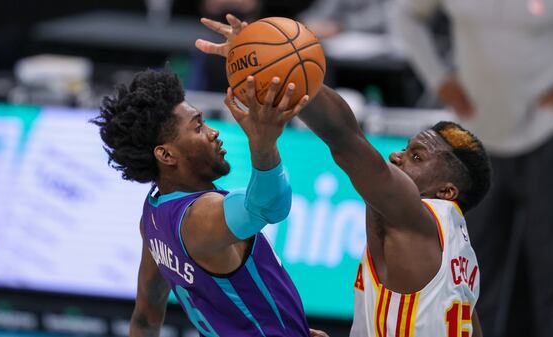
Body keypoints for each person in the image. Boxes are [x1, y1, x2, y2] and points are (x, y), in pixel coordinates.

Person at [197, 14, 492, 337]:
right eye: (405, 149)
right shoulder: (463, 259)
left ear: (446, 191)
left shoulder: (414, 214)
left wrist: (278, 65)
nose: (395, 156)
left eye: (416, 156)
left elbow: (344, 137)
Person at [91, 69, 316, 336]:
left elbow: (146, 319)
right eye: (198, 127)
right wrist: (263, 143)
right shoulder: (200, 215)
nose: (213, 133)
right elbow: (268, 205)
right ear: (166, 154)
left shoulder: (153, 217)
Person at [391, 0, 553, 335]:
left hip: (548, 130)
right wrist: (438, 79)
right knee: (471, 266)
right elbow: (404, 14)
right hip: (477, 134)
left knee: (550, 265)